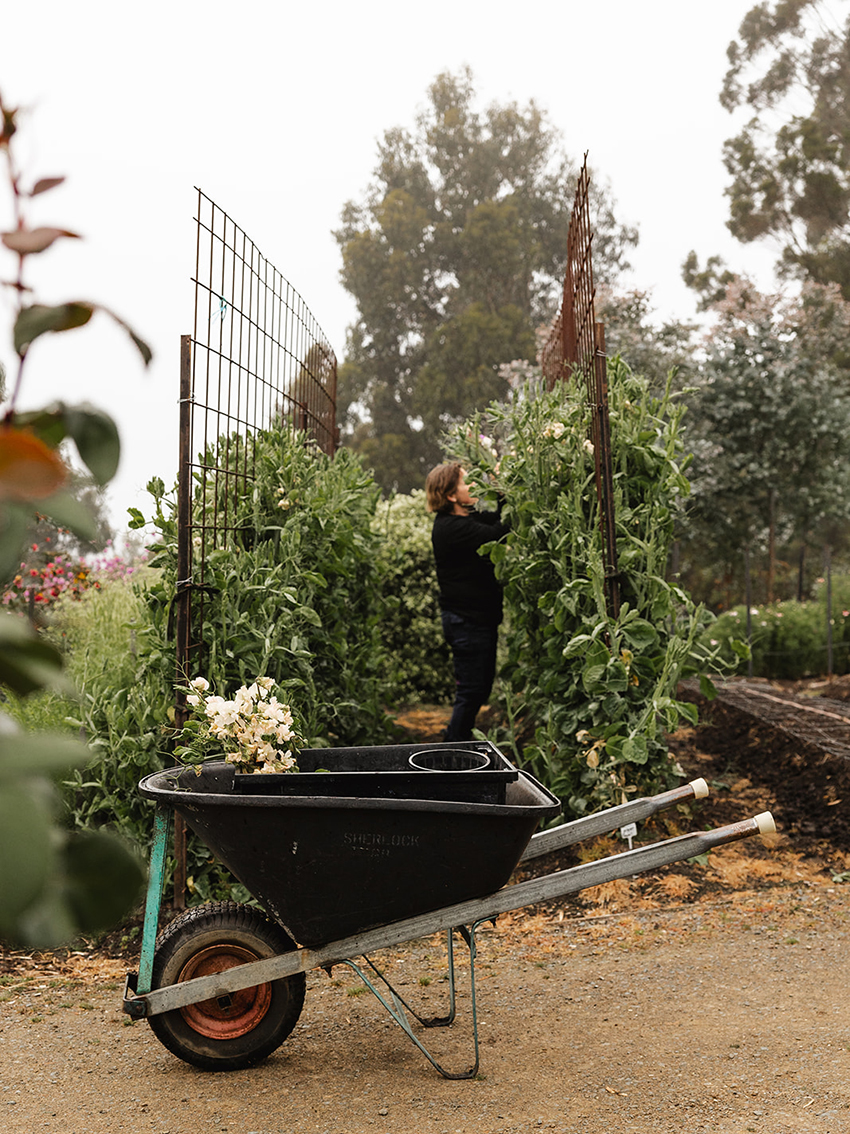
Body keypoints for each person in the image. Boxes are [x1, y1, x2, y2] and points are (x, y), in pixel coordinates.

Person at [425, 462, 509, 742]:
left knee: (478, 689)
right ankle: (452, 749)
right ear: (451, 495)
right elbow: (498, 531)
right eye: (466, 482)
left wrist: (500, 489)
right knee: (471, 691)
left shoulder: (465, 518)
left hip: (475, 620)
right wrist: (501, 489)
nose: (474, 485)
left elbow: (494, 519)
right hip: (467, 622)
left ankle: (457, 743)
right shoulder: (451, 528)